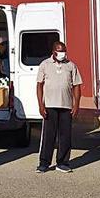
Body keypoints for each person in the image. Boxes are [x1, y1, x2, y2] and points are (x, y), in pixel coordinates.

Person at [36, 41, 82, 173]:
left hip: (66, 106)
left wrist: (76, 104)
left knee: (65, 136)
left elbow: (77, 86)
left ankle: (62, 162)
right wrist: (41, 105)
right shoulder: (45, 64)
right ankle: (44, 163)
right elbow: (39, 85)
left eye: (64, 51)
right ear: (53, 51)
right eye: (59, 51)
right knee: (48, 136)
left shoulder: (71, 65)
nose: (62, 53)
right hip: (50, 105)